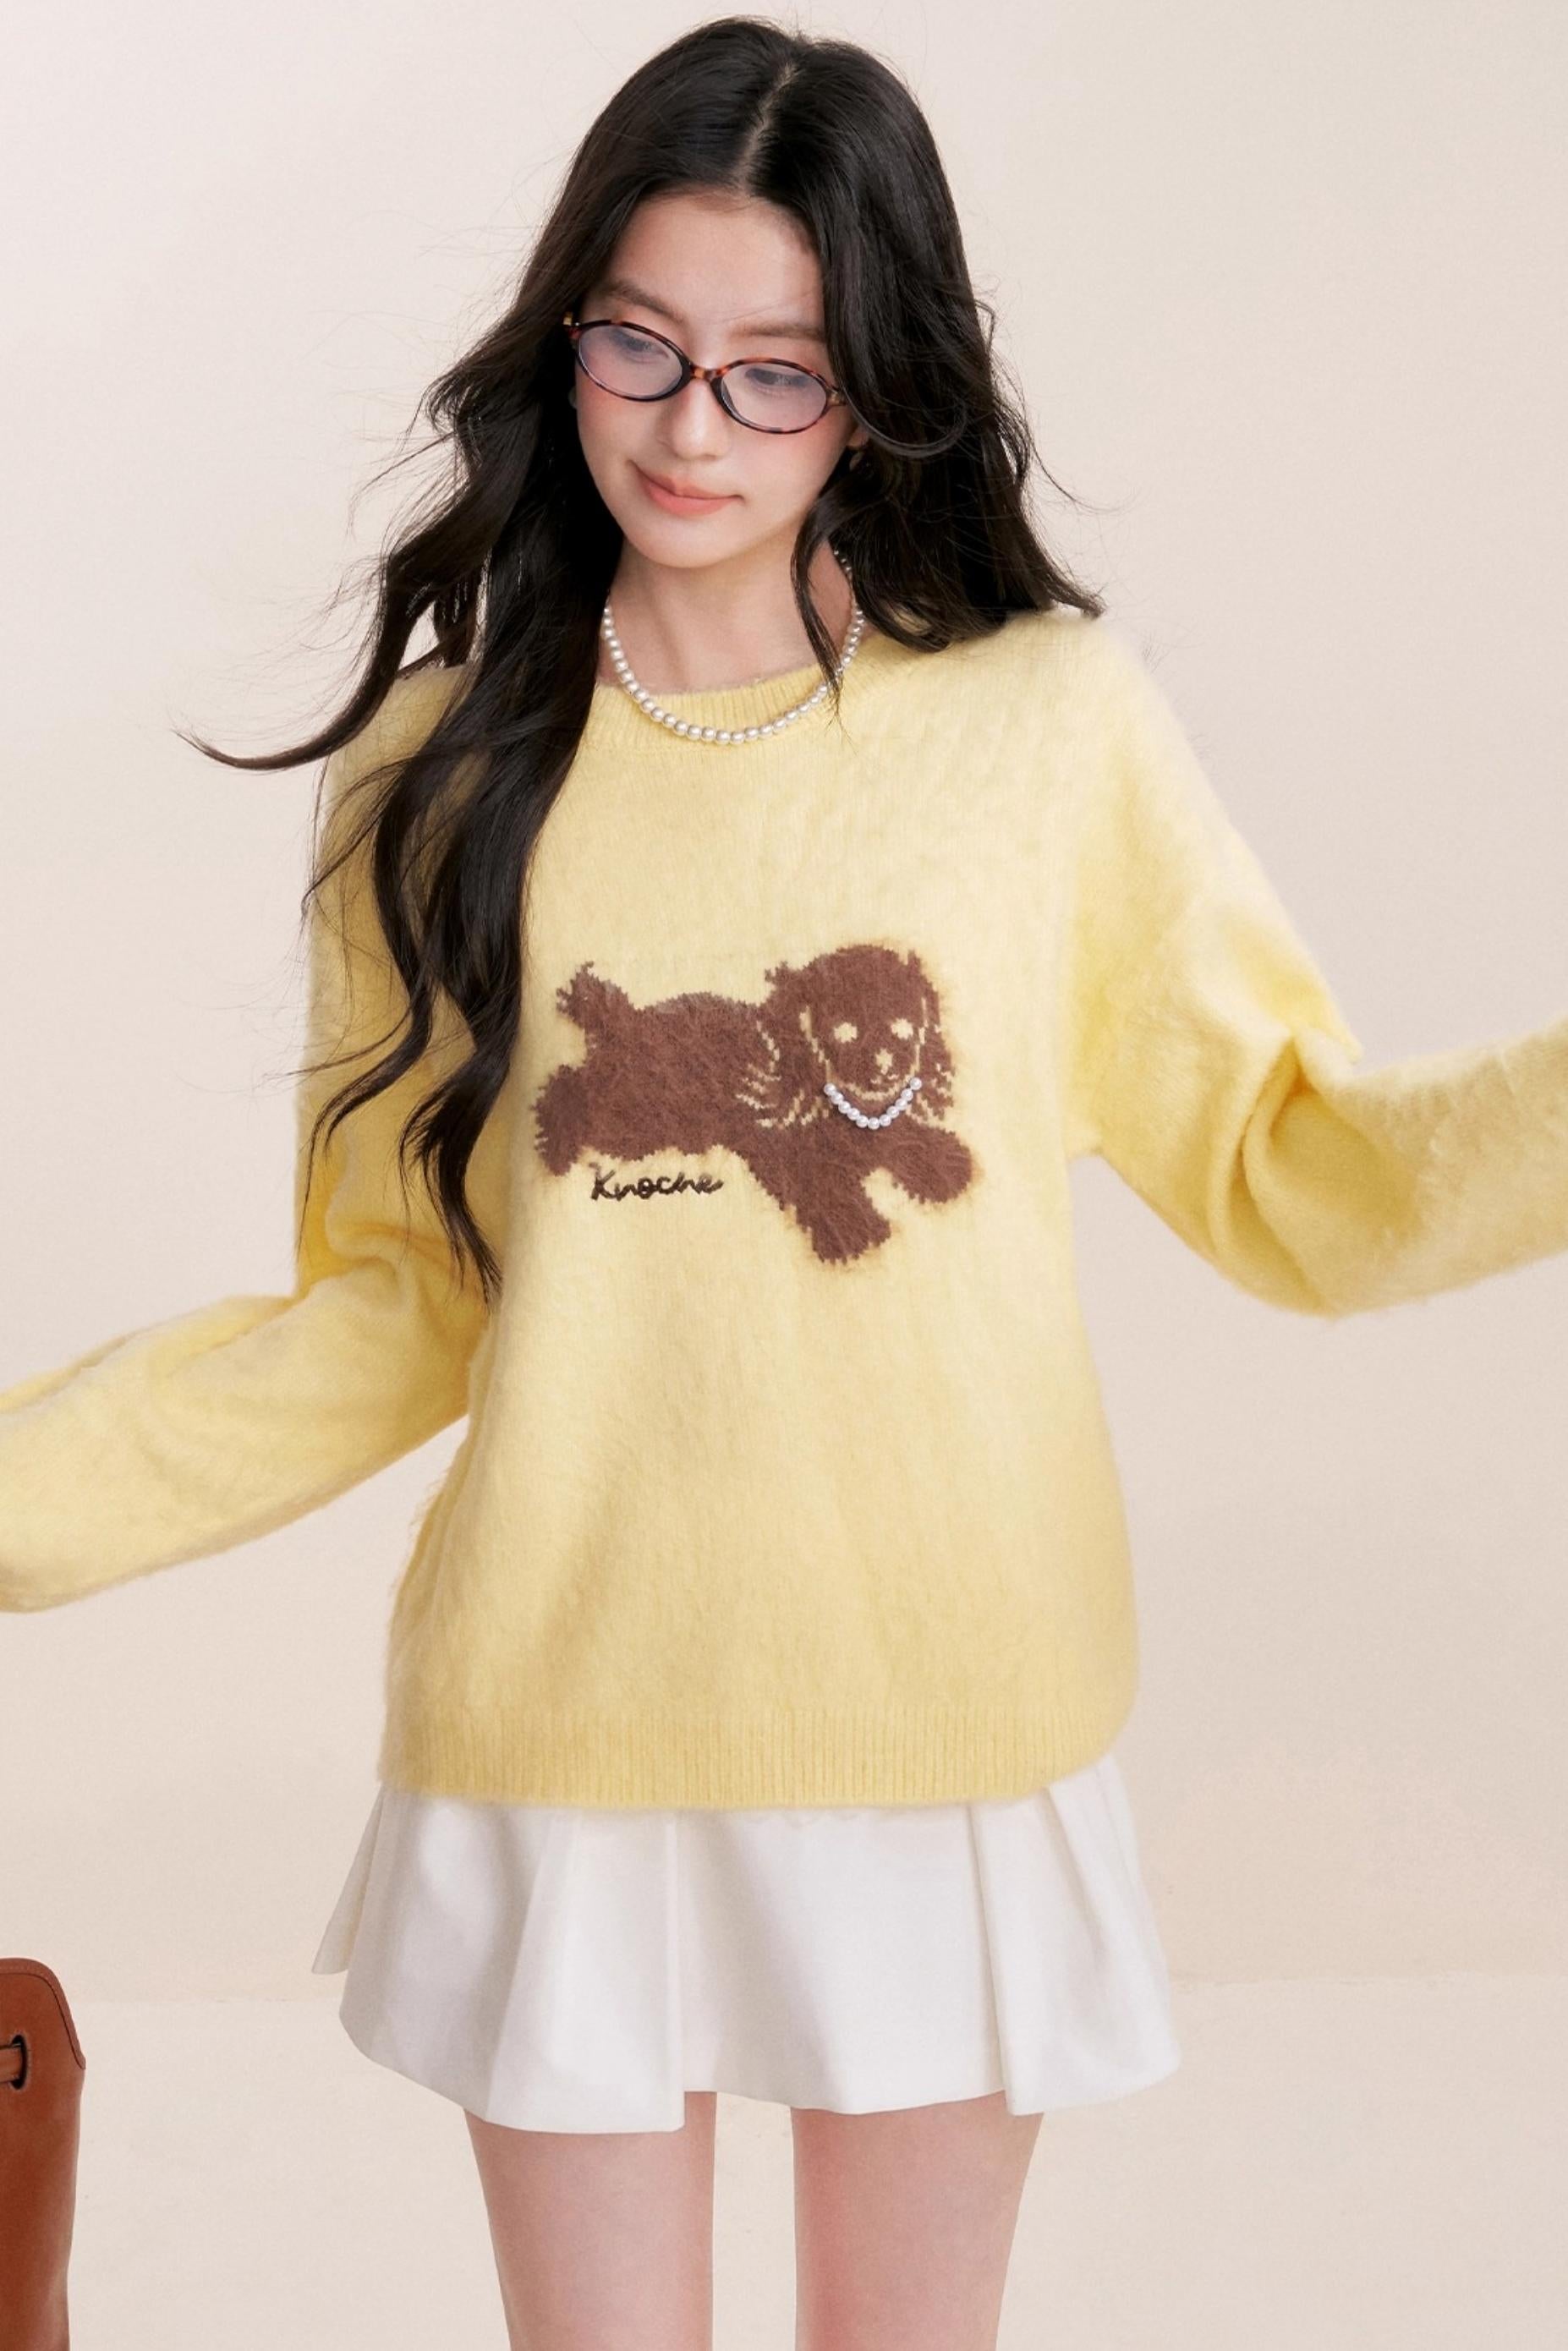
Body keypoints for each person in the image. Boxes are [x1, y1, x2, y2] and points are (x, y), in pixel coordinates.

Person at [4, 19, 1566, 2351]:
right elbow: (395, 1306)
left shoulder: (1039, 728)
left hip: (948, 1718)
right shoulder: (444, 772)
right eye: (637, 344)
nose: (689, 429)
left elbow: (1301, 1176)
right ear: (566, 335)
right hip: (567, 1720)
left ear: (878, 393)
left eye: (775, 374)